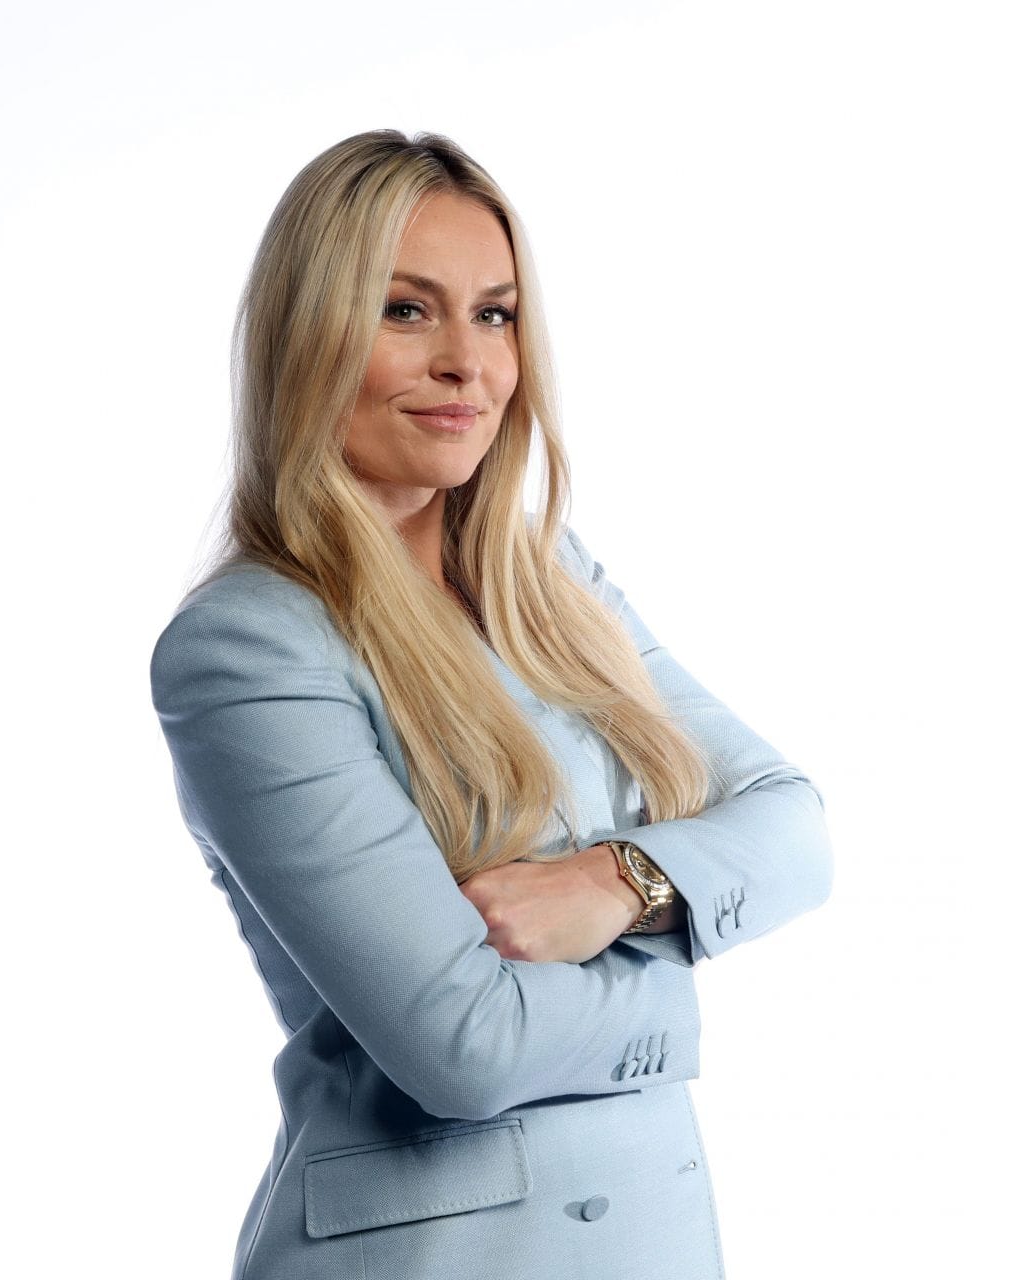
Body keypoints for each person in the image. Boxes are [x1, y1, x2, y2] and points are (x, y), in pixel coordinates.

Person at [149, 128, 833, 1280]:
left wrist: (621, 882)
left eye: (497, 313)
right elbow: (464, 1046)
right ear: (306, 335)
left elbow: (795, 825)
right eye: (406, 310)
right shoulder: (249, 647)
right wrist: (686, 994)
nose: (468, 362)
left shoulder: (551, 579)